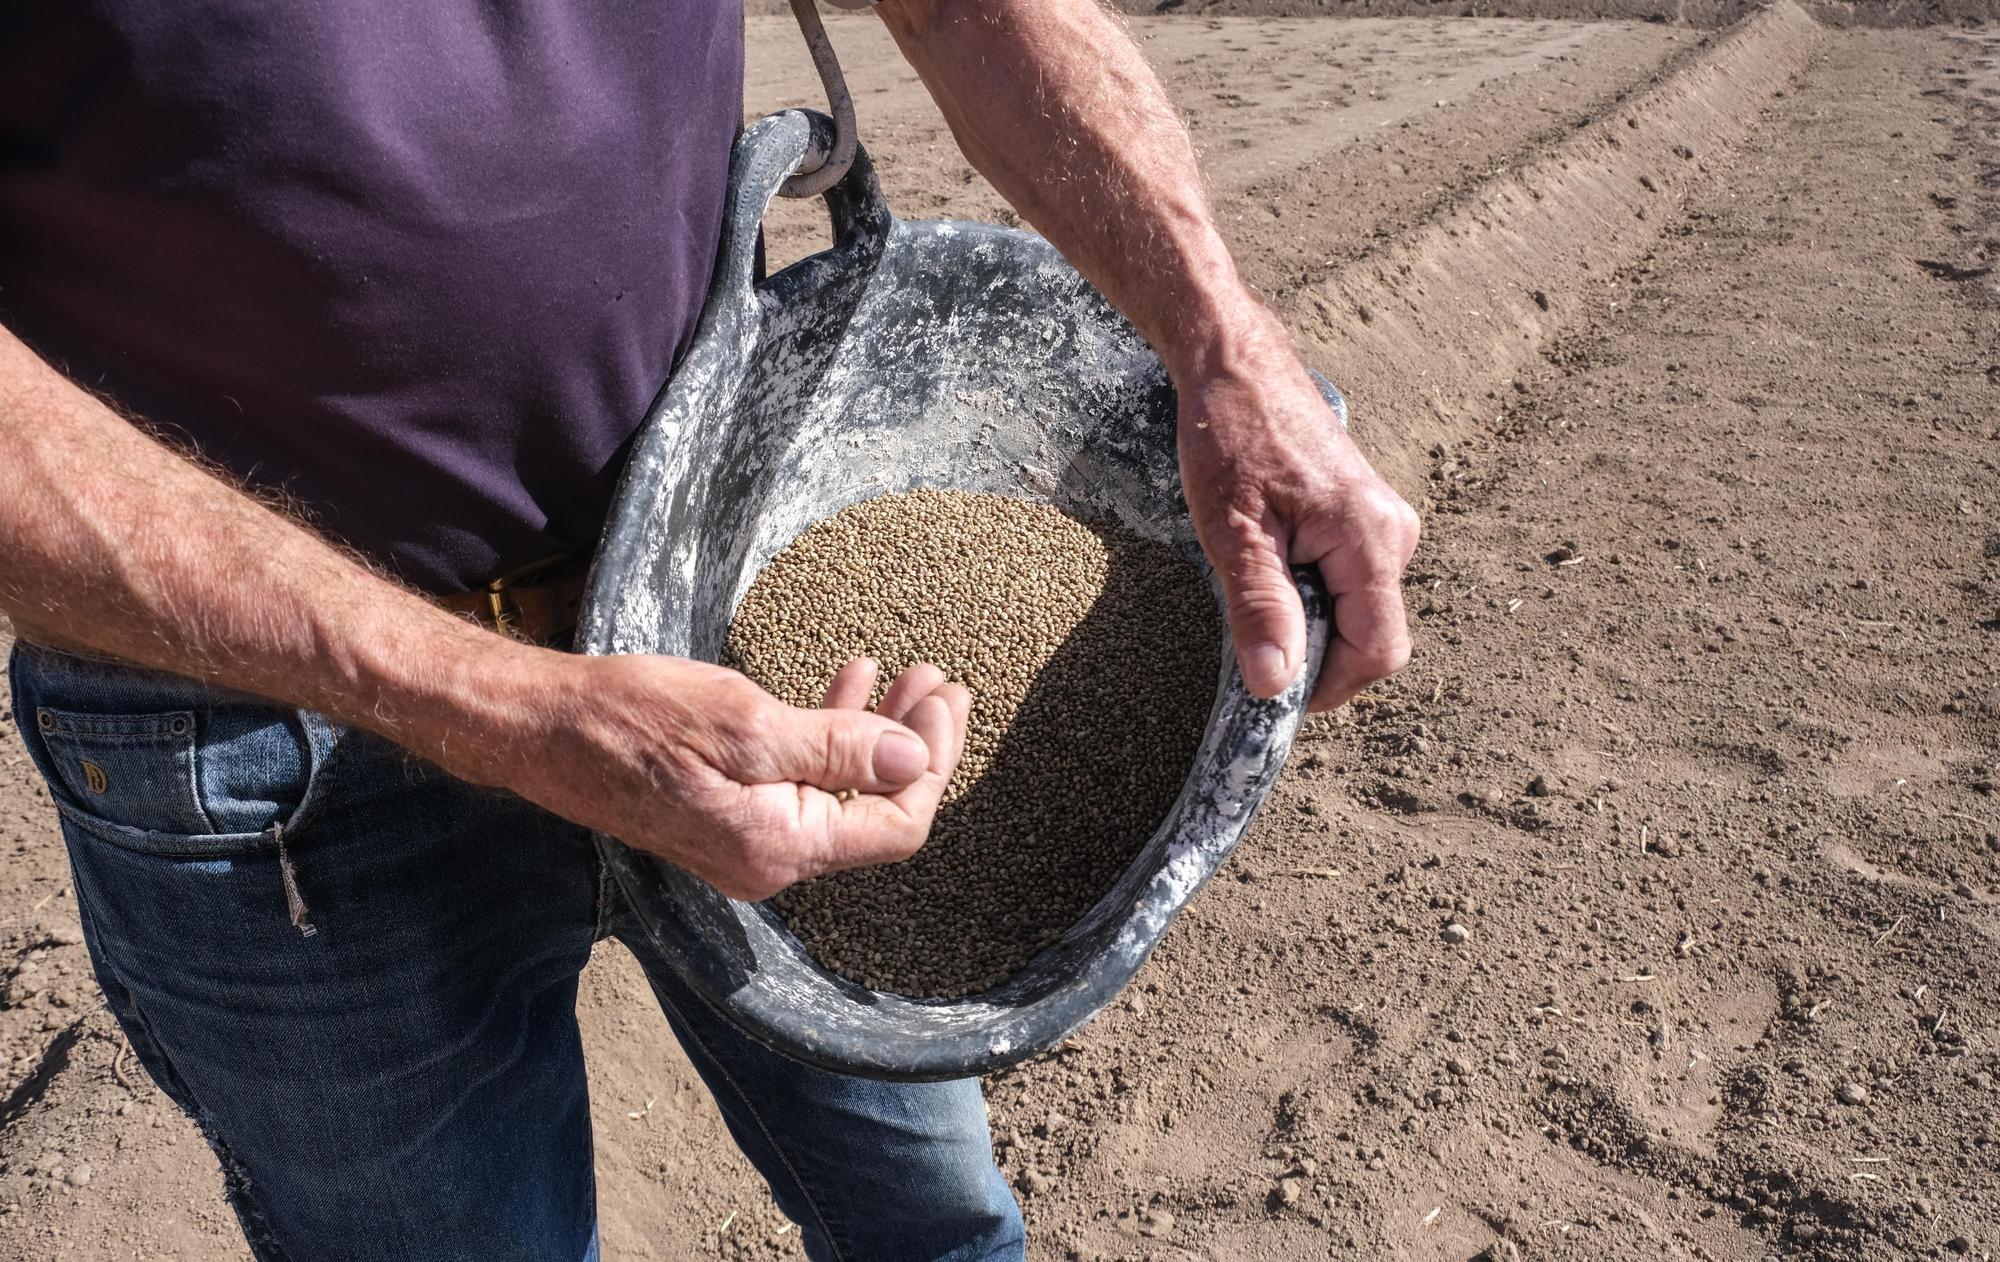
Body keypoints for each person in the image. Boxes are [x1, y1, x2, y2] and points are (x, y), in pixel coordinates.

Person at [0, 0, 1419, 1258]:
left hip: (729, 587)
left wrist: (1226, 342)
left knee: (933, 1220)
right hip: (273, 743)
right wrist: (495, 703)